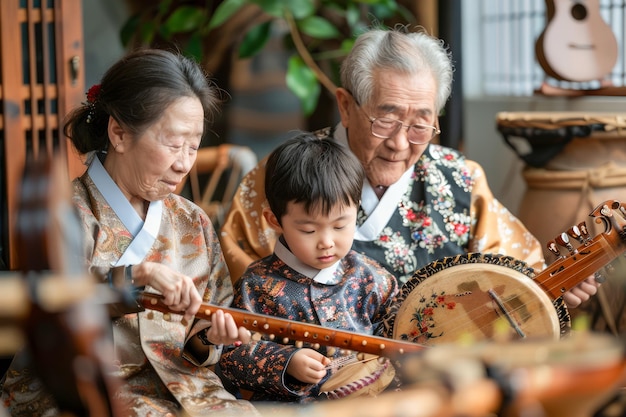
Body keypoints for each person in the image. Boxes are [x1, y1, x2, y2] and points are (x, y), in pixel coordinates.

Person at [219, 27, 599, 314]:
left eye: (421, 124)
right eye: (385, 120)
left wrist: (554, 286)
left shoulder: (461, 180)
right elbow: (236, 283)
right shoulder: (282, 174)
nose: (401, 144)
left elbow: (518, 277)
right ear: (346, 106)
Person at [1, 48, 259, 417]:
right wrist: (135, 276)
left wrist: (208, 337)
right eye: (173, 143)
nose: (184, 163)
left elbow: (206, 324)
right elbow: (51, 313)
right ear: (119, 133)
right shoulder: (64, 214)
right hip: (85, 391)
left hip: (185, 389)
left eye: (194, 145)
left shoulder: (194, 222)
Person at [218, 132, 399, 403]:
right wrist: (286, 362)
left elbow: (401, 325)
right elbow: (232, 356)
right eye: (308, 229)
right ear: (274, 220)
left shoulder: (370, 277)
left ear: (356, 211)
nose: (326, 242)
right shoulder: (256, 284)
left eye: (340, 226)